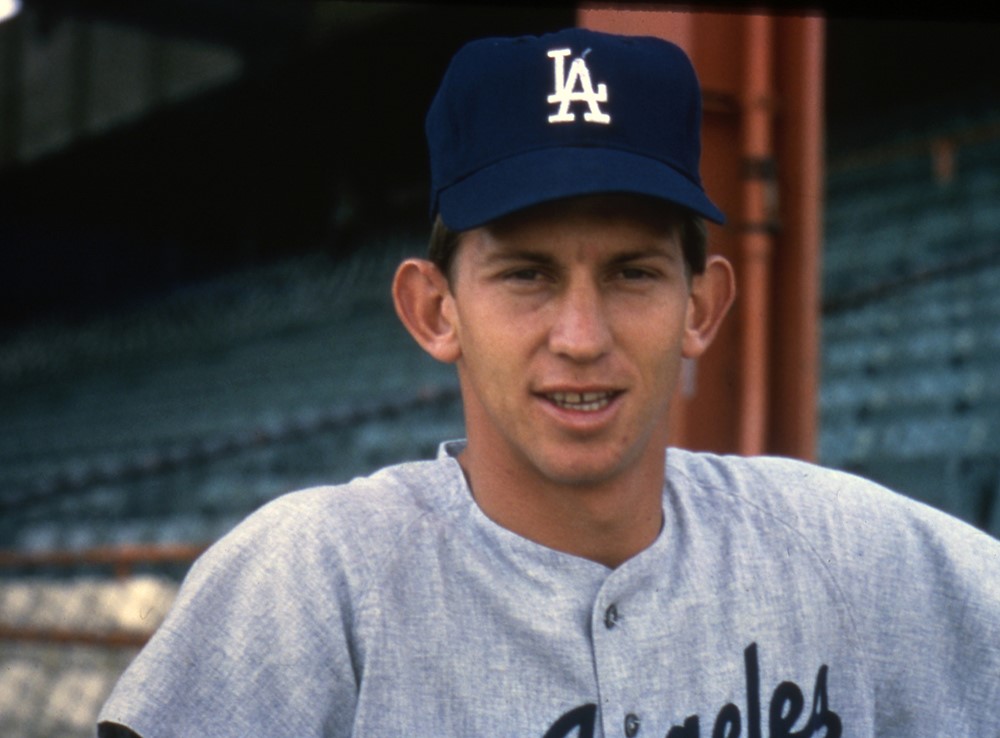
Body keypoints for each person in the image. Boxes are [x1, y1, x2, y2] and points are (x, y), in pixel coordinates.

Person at [98, 27, 1000, 738]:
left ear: (702, 306)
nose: (580, 336)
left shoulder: (842, 549)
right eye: (526, 273)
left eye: (633, 273)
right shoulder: (315, 581)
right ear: (435, 310)